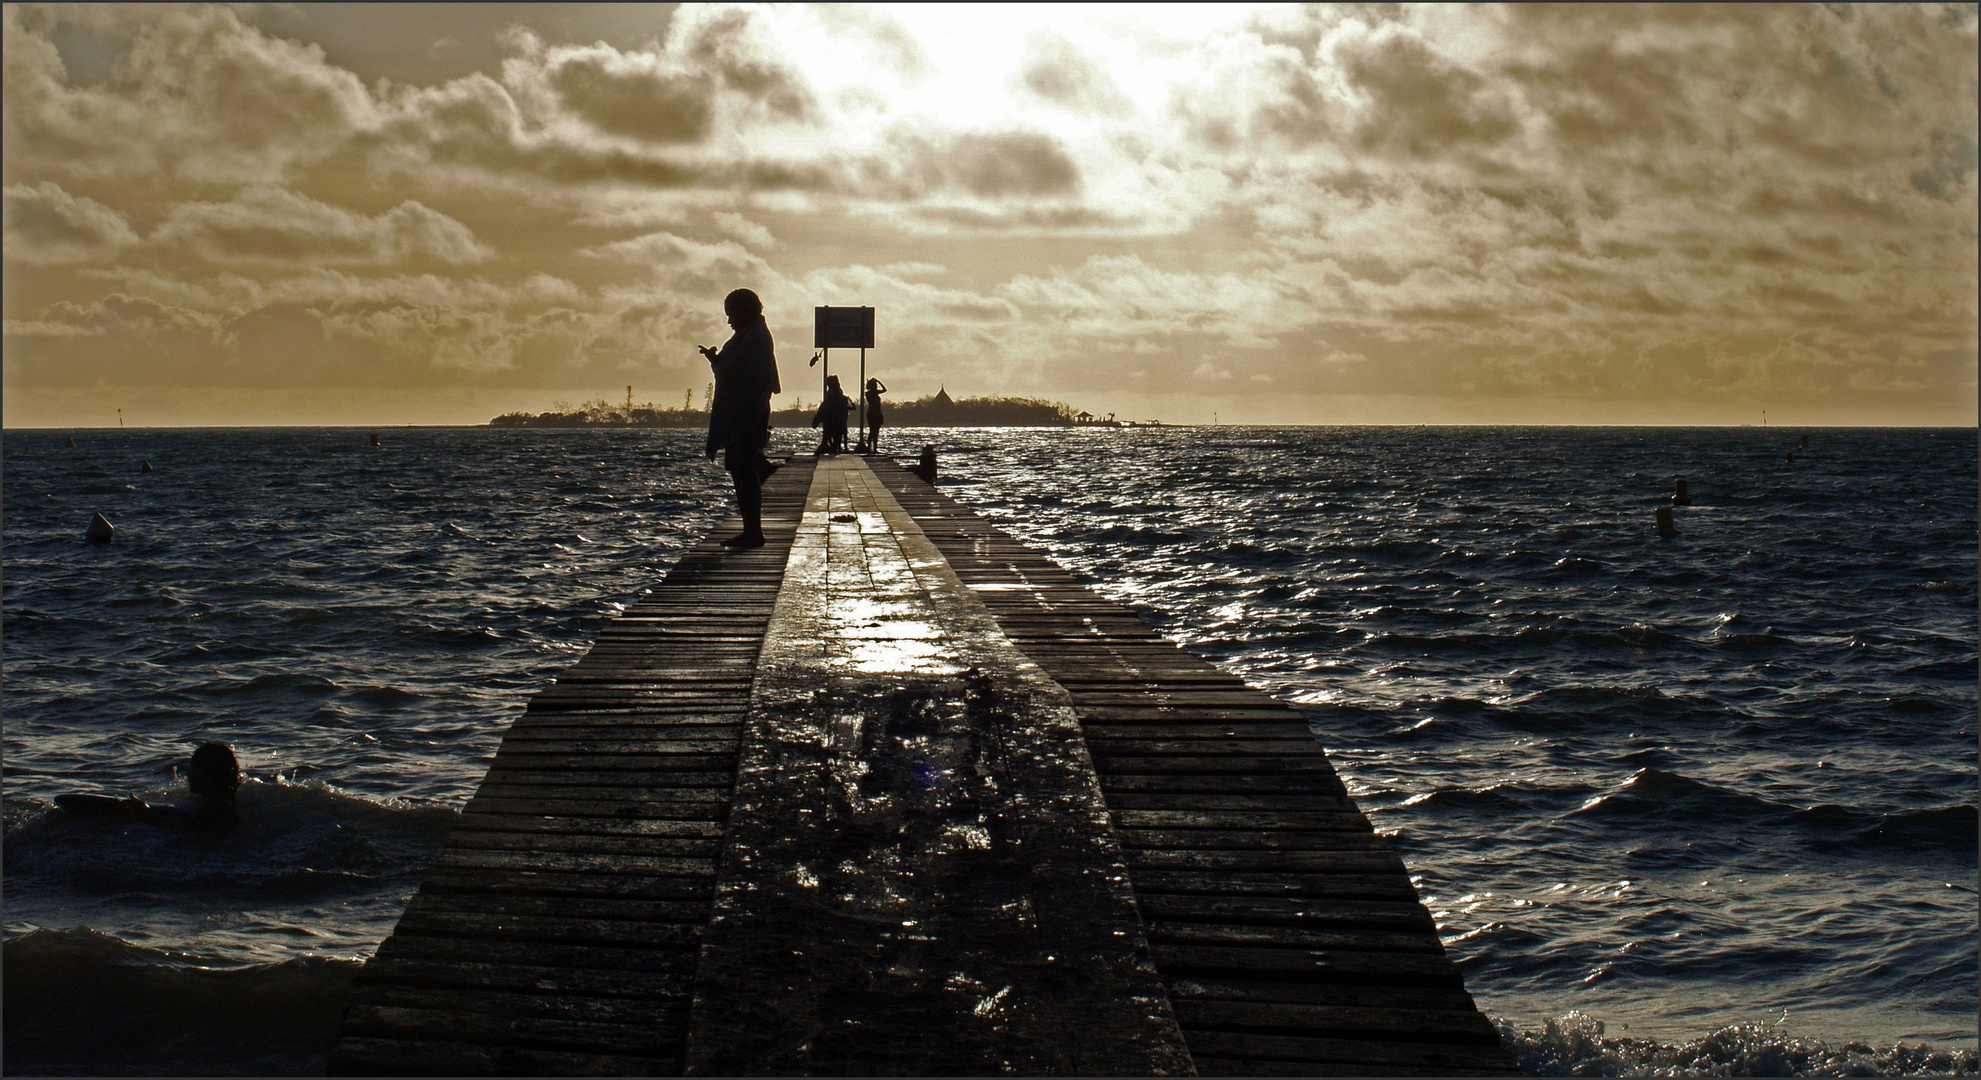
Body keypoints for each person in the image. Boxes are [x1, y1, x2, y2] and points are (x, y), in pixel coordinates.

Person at [699, 288, 782, 548]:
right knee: (744, 470)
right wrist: (719, 360)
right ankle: (751, 529)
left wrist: (715, 361)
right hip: (748, 414)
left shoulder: (753, 337)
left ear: (745, 311)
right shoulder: (753, 334)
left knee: (743, 472)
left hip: (747, 416)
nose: (729, 321)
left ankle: (752, 532)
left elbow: (734, 373)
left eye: (731, 315)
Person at [55, 741, 242, 832]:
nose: (189, 776)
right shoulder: (208, 802)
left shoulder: (217, 806)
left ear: (210, 774)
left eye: (194, 770)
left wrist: (145, 814)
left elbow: (180, 831)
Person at [812, 375, 851, 456]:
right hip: (838, 418)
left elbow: (826, 407)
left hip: (834, 418)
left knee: (832, 436)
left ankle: (832, 448)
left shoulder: (833, 393)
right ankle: (833, 448)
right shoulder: (836, 392)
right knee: (835, 438)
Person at [863, 378, 887, 453]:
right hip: (873, 413)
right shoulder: (869, 393)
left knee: (875, 432)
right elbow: (884, 389)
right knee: (872, 431)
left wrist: (877, 381)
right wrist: (878, 381)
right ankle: (870, 448)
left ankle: (874, 449)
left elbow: (885, 389)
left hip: (877, 413)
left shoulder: (874, 393)